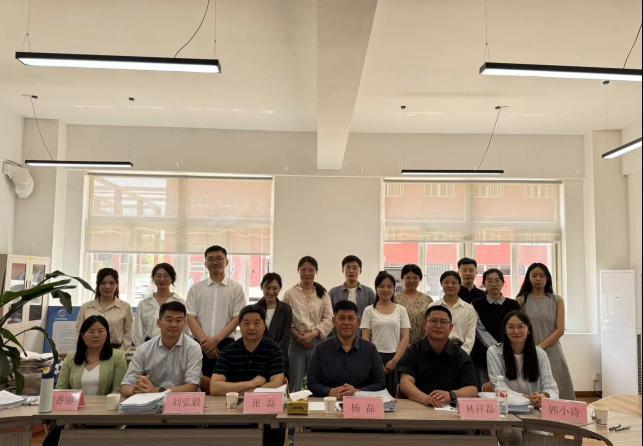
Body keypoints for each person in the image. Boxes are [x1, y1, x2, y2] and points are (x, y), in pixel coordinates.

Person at [210, 304, 286, 446]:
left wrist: (246, 392)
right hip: (233, 409)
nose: (251, 327)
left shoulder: (274, 349)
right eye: (246, 323)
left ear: (264, 326)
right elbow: (215, 387)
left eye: (256, 323)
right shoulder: (228, 351)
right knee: (218, 429)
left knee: (274, 429)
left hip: (263, 408)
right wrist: (252, 383)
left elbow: (277, 383)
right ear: (239, 325)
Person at [186, 245, 247, 376]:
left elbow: (237, 318)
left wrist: (215, 341)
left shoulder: (236, 288)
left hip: (226, 344)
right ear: (205, 263)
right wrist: (205, 342)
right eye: (211, 259)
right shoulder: (195, 288)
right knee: (198, 381)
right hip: (199, 344)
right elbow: (190, 317)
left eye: (219, 258)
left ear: (226, 262)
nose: (215, 262)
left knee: (225, 381)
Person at [399, 306, 478, 407]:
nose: (438, 325)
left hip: (449, 408)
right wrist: (425, 399)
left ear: (451, 327)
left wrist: (451, 395)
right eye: (433, 321)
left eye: (443, 322)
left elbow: (472, 389)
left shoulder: (460, 355)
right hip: (419, 405)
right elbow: (405, 382)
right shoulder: (413, 351)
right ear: (424, 325)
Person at [516, 263, 575, 400]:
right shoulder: (521, 300)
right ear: (528, 277)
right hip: (528, 350)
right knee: (531, 388)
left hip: (552, 350)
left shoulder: (557, 300)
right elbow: (517, 328)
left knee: (558, 384)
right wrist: (533, 349)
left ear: (547, 278)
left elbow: (560, 329)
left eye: (542, 275)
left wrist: (541, 347)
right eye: (534, 275)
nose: (538, 279)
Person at [121, 301, 202, 396]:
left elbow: (192, 386)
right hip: (151, 400)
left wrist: (157, 391)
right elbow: (125, 386)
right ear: (158, 323)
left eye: (179, 320)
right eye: (169, 320)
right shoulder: (144, 349)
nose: (173, 325)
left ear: (184, 323)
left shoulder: (193, 348)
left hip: (183, 401)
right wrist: (137, 390)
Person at [308, 300, 385, 397]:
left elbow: (380, 383)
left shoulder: (370, 349)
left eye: (351, 318)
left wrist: (358, 391)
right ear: (333, 321)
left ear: (358, 322)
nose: (346, 323)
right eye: (341, 318)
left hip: (361, 403)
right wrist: (329, 391)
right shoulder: (321, 349)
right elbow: (312, 383)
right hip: (329, 402)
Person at [486, 311, 559, 406]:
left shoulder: (540, 354)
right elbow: (499, 387)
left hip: (535, 406)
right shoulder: (494, 352)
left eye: (520, 327)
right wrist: (527, 398)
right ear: (505, 330)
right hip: (508, 406)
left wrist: (544, 397)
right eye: (511, 327)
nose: (516, 331)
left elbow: (551, 388)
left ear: (528, 330)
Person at [283, 256, 333, 392]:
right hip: (296, 342)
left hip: (317, 342)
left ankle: (316, 404)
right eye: (303, 269)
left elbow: (329, 319)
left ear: (316, 271)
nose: (307, 273)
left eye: (311, 270)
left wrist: (313, 334)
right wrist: (298, 336)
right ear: (298, 270)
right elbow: (286, 320)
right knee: (295, 380)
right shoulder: (289, 294)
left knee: (316, 378)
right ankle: (294, 403)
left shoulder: (323, 294)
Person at [361, 271, 410, 396]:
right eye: (382, 286)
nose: (385, 289)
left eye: (389, 286)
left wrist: (395, 360)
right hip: (373, 356)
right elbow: (365, 337)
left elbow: (405, 338)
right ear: (376, 288)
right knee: (373, 395)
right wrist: (376, 361)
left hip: (395, 357)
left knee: (391, 396)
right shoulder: (369, 310)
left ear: (394, 289)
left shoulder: (401, 310)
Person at [471, 268, 520, 387]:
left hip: (509, 353)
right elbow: (479, 329)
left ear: (503, 283)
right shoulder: (476, 304)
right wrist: (497, 348)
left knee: (508, 389)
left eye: (497, 281)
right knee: (486, 389)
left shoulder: (513, 304)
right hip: (483, 354)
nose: (493, 284)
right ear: (483, 283)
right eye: (489, 281)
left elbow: (517, 328)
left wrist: (504, 349)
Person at [58, 315, 127, 394]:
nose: (96, 335)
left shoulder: (118, 357)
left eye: (100, 331)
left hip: (107, 402)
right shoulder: (71, 357)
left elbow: (118, 390)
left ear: (107, 334)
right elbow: (61, 388)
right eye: (91, 332)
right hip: (75, 402)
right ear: (82, 335)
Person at [77, 268, 133, 352]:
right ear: (98, 284)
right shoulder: (86, 307)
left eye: (111, 283)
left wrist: (120, 353)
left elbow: (129, 333)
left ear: (116, 285)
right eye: (103, 283)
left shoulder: (125, 307)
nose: (107, 286)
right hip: (90, 352)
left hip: (116, 352)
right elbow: (79, 332)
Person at [133, 263, 187, 346]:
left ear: (172, 279)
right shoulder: (144, 303)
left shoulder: (180, 302)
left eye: (166, 276)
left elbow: (185, 329)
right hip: (148, 348)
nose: (162, 279)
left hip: (175, 348)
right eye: (158, 276)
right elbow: (137, 331)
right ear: (153, 278)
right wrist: (142, 349)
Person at [428, 271, 477, 354]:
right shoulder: (433, 306)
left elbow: (470, 337)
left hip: (460, 351)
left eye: (454, 283)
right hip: (435, 350)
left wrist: (462, 356)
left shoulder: (469, 309)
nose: (450, 285)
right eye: (446, 282)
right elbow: (429, 330)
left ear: (460, 285)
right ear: (441, 284)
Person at [256, 272, 293, 375]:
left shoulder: (286, 309)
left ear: (280, 288)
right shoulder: (254, 309)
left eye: (275, 288)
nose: (271, 292)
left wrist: (273, 355)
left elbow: (286, 338)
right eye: (267, 288)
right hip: (258, 359)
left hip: (279, 360)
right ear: (262, 287)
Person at [395, 264, 433, 345]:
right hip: (399, 344)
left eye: (415, 278)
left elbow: (431, 322)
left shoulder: (428, 300)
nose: (411, 280)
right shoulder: (395, 299)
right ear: (402, 279)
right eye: (408, 277)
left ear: (420, 279)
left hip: (423, 344)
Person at [328, 255, 375, 320]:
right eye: (348, 267)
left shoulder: (369, 292)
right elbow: (329, 315)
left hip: (362, 326)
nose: (351, 271)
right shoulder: (333, 292)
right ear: (342, 270)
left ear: (360, 271)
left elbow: (373, 314)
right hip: (339, 326)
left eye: (354, 268)